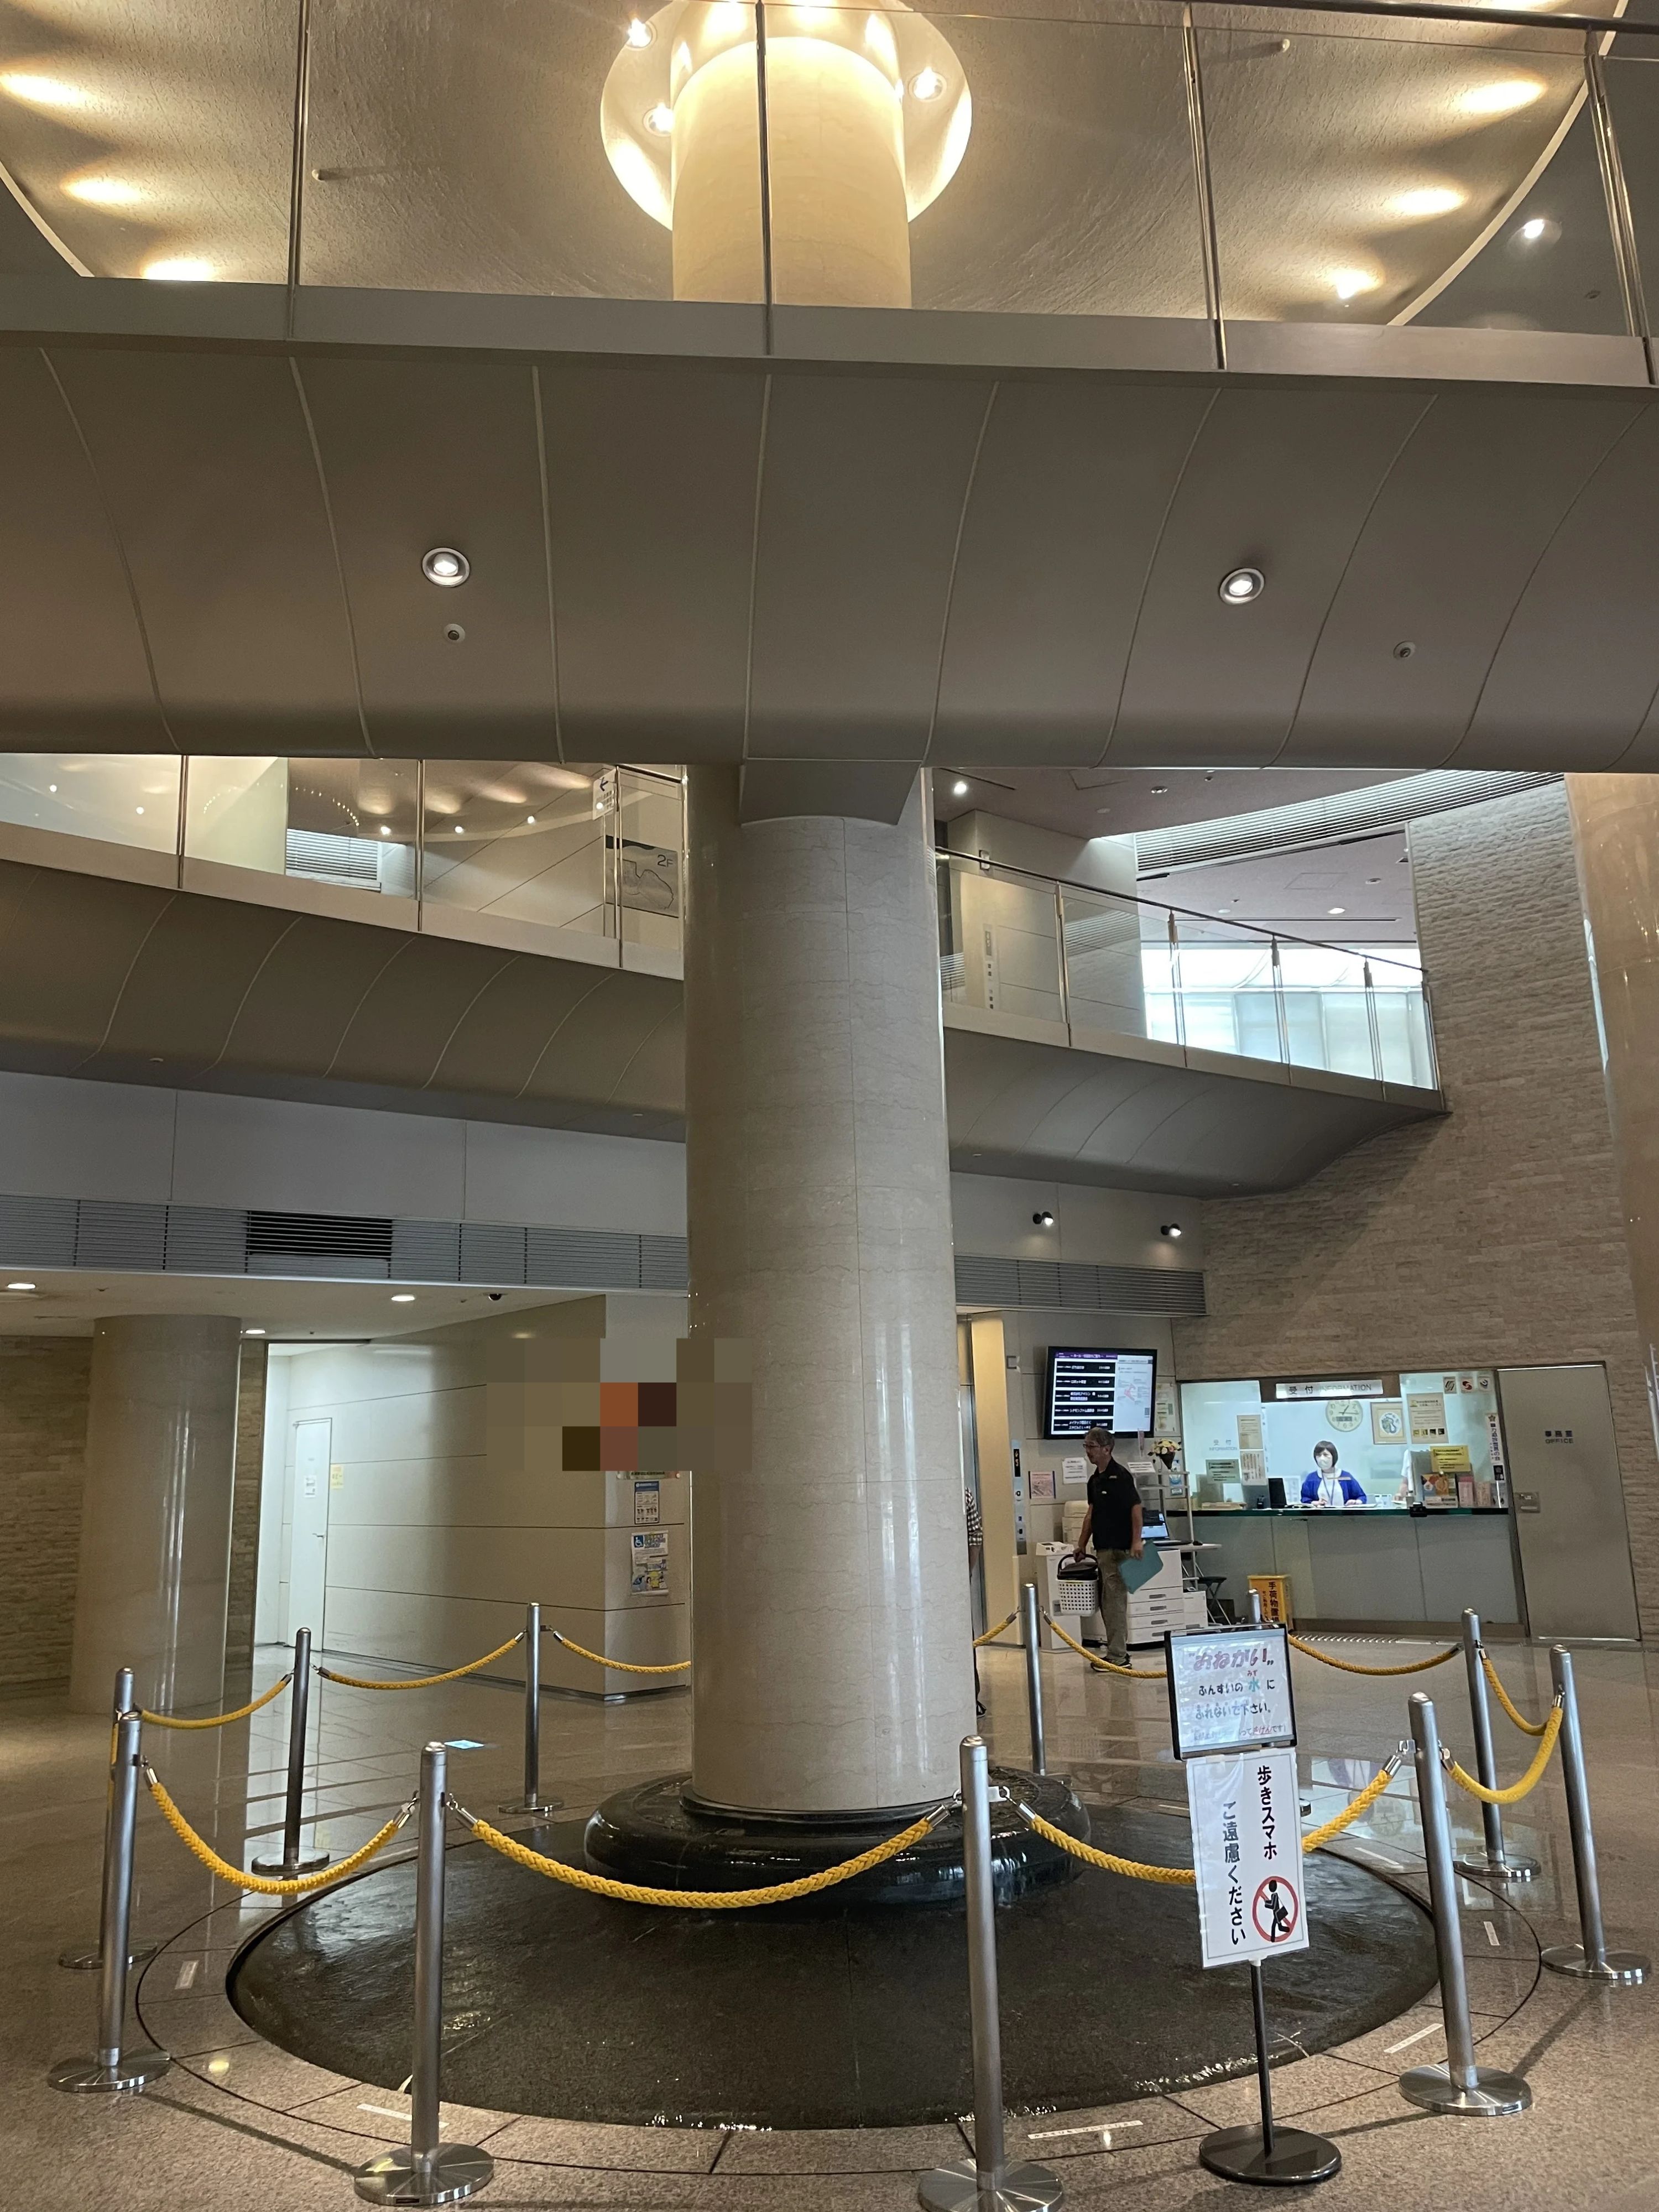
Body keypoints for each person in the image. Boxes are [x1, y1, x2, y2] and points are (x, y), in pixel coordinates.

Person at [1069, 1426, 1143, 1667]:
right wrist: (1081, 1544)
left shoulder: (1120, 1476)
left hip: (1120, 1548)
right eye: (1086, 1446)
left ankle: (1118, 1656)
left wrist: (1136, 1540)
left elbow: (1135, 1509)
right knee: (1109, 1602)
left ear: (1107, 1449)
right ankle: (1117, 1653)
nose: (1088, 1451)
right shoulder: (1094, 1480)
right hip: (1103, 1548)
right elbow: (1091, 1514)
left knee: (1114, 1604)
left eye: (1092, 1446)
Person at [1300, 1440, 1366, 1509]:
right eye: (1319, 1455)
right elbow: (1305, 1499)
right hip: (1320, 1514)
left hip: (1344, 1514)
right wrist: (1316, 1503)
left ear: (1333, 1456)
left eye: (1325, 1455)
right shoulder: (1311, 1479)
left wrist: (1356, 1502)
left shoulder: (1346, 1477)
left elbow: (1362, 1497)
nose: (1322, 1458)